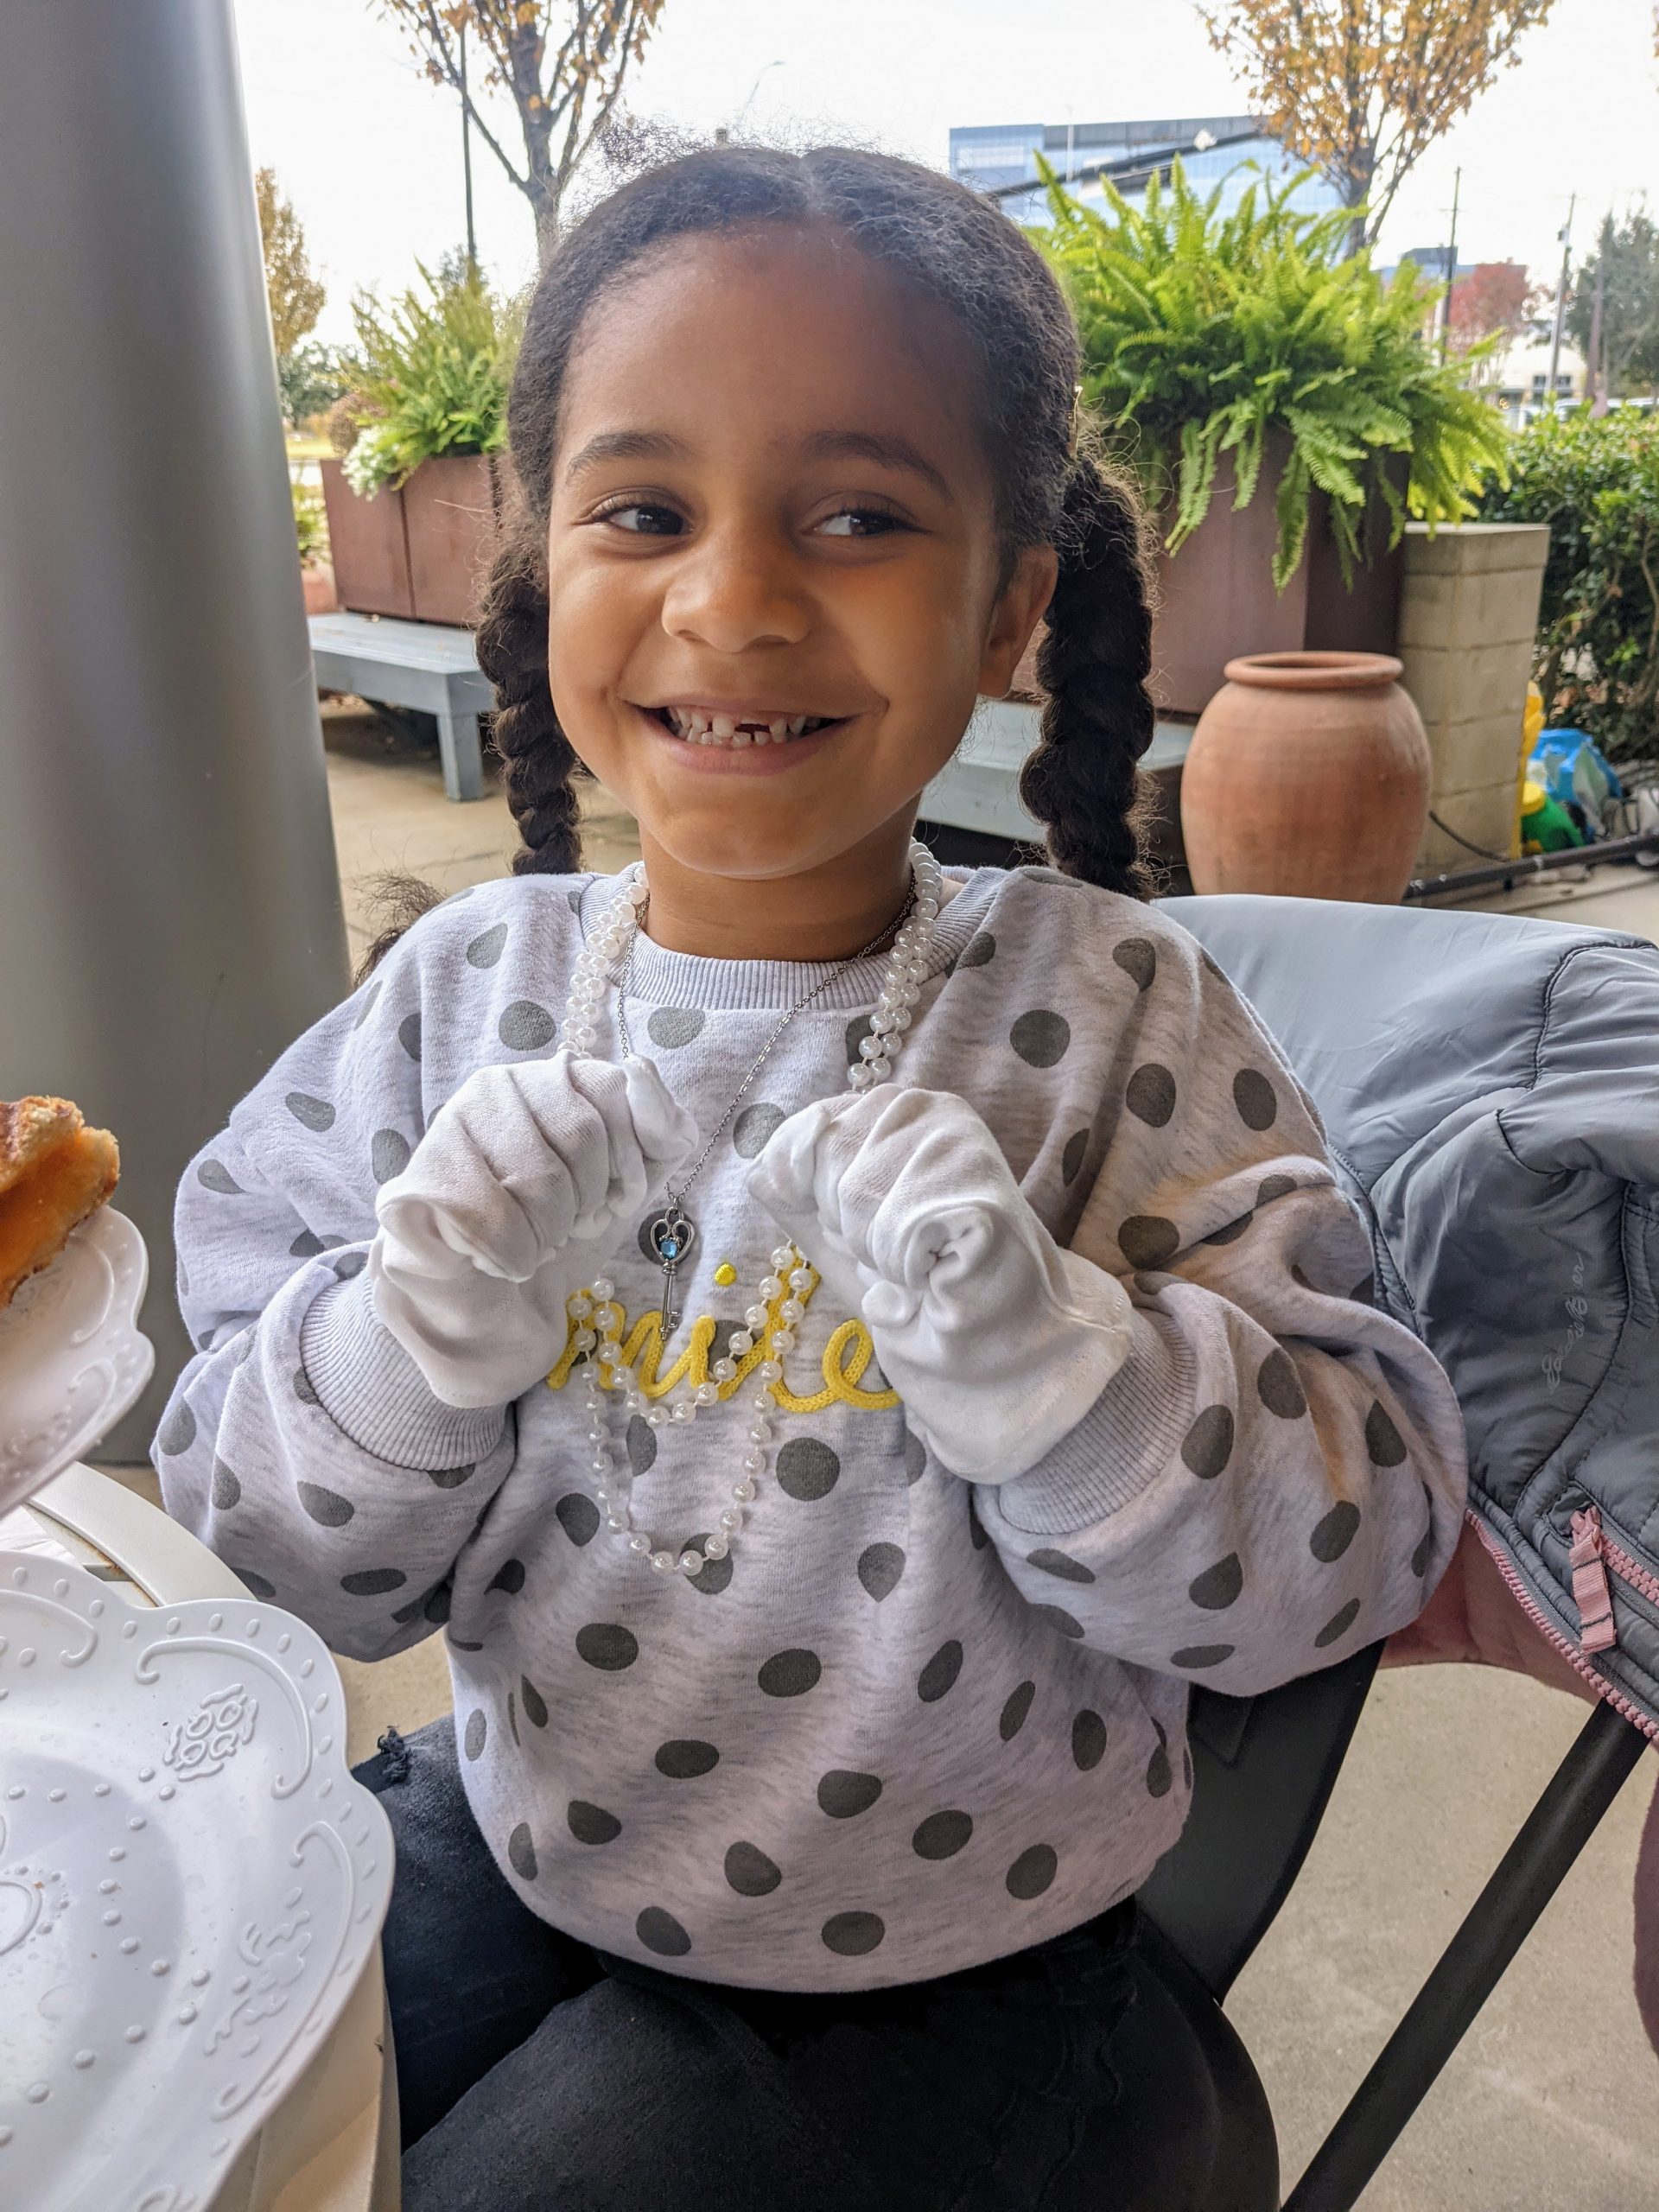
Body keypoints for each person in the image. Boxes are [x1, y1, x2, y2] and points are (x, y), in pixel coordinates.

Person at [153, 143, 1467, 2210]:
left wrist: (1079, 1385)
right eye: (646, 511)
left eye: (857, 515)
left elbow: (1351, 1548)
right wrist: (403, 1348)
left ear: (1012, 604)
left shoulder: (1123, 1019)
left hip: (951, 1964)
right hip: (528, 1839)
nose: (736, 598)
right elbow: (280, 1539)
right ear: (546, 569)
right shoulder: (448, 1006)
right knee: (183, 2103)